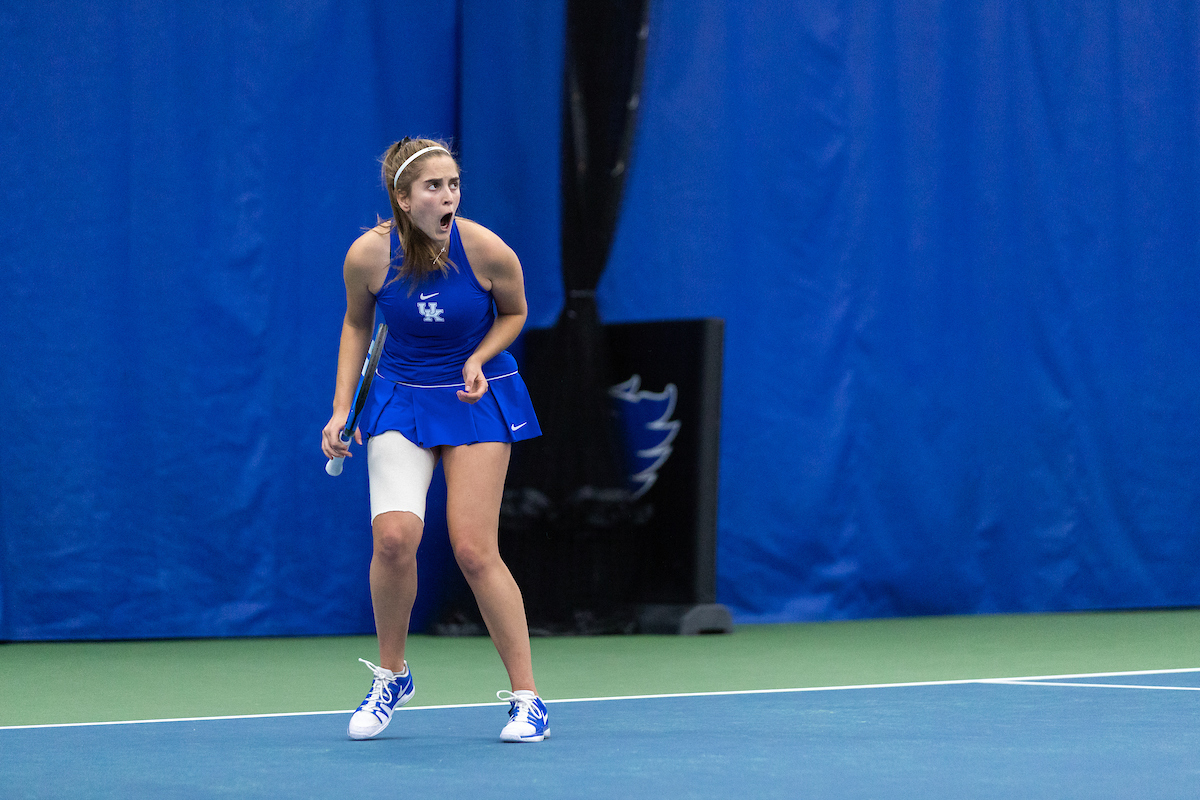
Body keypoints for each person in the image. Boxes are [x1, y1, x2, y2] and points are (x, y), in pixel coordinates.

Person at [321, 137, 549, 743]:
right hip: (400, 395)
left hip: (477, 396)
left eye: (452, 184)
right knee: (394, 539)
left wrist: (480, 357)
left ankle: (528, 699)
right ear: (402, 198)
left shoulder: (486, 250)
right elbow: (356, 324)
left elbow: (515, 312)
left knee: (475, 550)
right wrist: (343, 408)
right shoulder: (369, 257)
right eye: (432, 186)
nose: (447, 196)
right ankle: (391, 675)